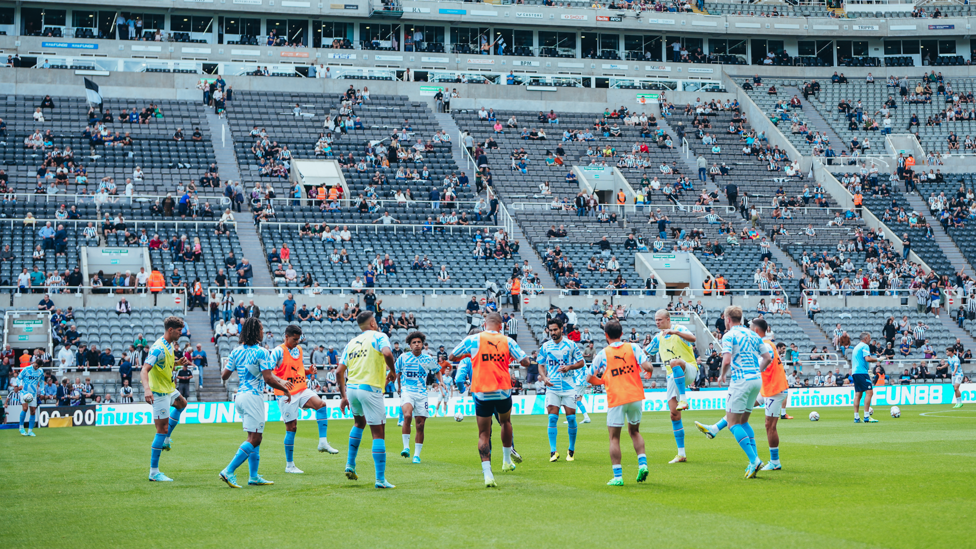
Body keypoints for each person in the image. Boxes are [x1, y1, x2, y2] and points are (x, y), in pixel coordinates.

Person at [448, 312, 530, 488]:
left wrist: (471, 356)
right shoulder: (508, 340)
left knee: (484, 433)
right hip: (502, 390)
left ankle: (488, 475)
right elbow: (525, 362)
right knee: (506, 422)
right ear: (501, 326)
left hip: (482, 391)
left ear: (485, 324)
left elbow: (452, 356)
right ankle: (506, 460)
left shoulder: (474, 339)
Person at [693, 306, 773, 478]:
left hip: (740, 381)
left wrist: (722, 375)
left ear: (727, 319)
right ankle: (755, 460)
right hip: (756, 380)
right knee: (743, 421)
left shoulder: (729, 336)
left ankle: (754, 460)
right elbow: (767, 358)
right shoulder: (753, 334)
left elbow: (727, 359)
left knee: (733, 424)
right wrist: (756, 372)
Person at [219, 318, 292, 488]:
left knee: (253, 436)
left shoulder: (236, 351)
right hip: (253, 397)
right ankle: (228, 471)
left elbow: (224, 376)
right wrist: (285, 389)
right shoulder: (262, 352)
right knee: (256, 438)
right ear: (255, 332)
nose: (262, 331)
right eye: (261, 329)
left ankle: (253, 476)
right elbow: (267, 378)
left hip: (241, 396)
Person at [587, 320, 654, 486]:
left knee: (614, 438)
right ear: (622, 333)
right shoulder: (634, 347)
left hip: (617, 398)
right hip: (635, 396)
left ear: (606, 335)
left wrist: (603, 382)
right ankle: (643, 465)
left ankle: (618, 477)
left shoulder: (602, 354)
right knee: (635, 432)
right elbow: (648, 366)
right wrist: (648, 372)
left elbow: (589, 378)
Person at [336, 311, 397, 489]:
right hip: (370, 388)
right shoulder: (379, 336)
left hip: (352, 389)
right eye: (375, 321)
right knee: (378, 434)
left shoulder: (351, 343)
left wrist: (343, 396)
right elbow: (387, 353)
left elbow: (339, 372)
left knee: (359, 423)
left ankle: (350, 464)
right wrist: (392, 372)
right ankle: (380, 480)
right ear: (372, 324)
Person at [270, 325, 339, 475]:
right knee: (292, 428)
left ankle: (322, 442)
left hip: (300, 389)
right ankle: (289, 465)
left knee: (321, 405)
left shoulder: (299, 350)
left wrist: (309, 371)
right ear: (286, 336)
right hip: (285, 393)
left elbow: (298, 370)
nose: (297, 342)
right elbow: (267, 373)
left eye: (298, 340)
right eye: (295, 340)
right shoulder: (277, 351)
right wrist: (282, 384)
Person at [140, 316, 192, 482]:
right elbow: (144, 369)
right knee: (160, 430)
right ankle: (154, 472)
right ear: (170, 330)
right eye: (179, 331)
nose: (181, 334)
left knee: (182, 403)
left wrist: (177, 363)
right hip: (159, 392)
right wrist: (147, 389)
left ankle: (167, 438)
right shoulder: (158, 348)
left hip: (169, 388)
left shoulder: (169, 345)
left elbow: (165, 365)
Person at [645, 309, 697, 464]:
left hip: (688, 369)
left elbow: (693, 338)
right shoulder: (658, 337)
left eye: (660, 320)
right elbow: (646, 352)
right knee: (674, 415)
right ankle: (681, 454)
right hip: (672, 377)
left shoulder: (679, 329)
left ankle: (684, 399)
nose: (657, 322)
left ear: (668, 319)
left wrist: (675, 332)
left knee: (675, 362)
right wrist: (646, 366)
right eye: (656, 320)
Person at [536, 318, 585, 463]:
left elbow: (581, 362)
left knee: (571, 418)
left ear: (561, 329)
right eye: (550, 330)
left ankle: (571, 450)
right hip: (553, 388)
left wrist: (569, 367)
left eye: (555, 330)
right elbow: (540, 364)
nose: (553, 333)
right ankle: (553, 451)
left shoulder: (571, 345)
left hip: (569, 387)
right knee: (552, 417)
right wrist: (544, 378)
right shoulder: (545, 347)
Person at [395, 331, 443, 464]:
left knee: (420, 425)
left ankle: (416, 455)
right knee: (407, 416)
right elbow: (396, 372)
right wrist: (398, 386)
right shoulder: (403, 357)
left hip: (422, 393)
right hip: (407, 391)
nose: (417, 344)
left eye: (419, 342)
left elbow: (437, 370)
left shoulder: (427, 359)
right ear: (410, 345)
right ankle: (406, 447)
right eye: (414, 343)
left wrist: (441, 381)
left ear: (422, 344)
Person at [752, 318, 788, 471]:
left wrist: (755, 371)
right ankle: (715, 428)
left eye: (750, 328)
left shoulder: (765, 345)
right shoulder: (767, 343)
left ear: (755, 331)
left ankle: (775, 462)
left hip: (775, 389)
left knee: (769, 425)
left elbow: (766, 361)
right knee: (744, 405)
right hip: (769, 387)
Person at [851, 332, 879, 423]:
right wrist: (878, 359)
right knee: (869, 392)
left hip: (855, 372)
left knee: (858, 395)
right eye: (869, 338)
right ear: (866, 338)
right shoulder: (865, 346)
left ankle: (856, 417)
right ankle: (867, 416)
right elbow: (867, 359)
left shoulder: (856, 347)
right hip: (861, 372)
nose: (870, 340)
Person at [16, 358, 44, 436]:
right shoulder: (26, 369)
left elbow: (41, 382)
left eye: (38, 366)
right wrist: (20, 385)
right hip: (24, 392)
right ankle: (21, 428)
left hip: (33, 394)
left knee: (33, 411)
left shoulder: (40, 371)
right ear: (34, 362)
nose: (36, 367)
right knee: (25, 408)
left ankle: (30, 431)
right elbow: (18, 378)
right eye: (36, 365)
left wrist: (42, 392)